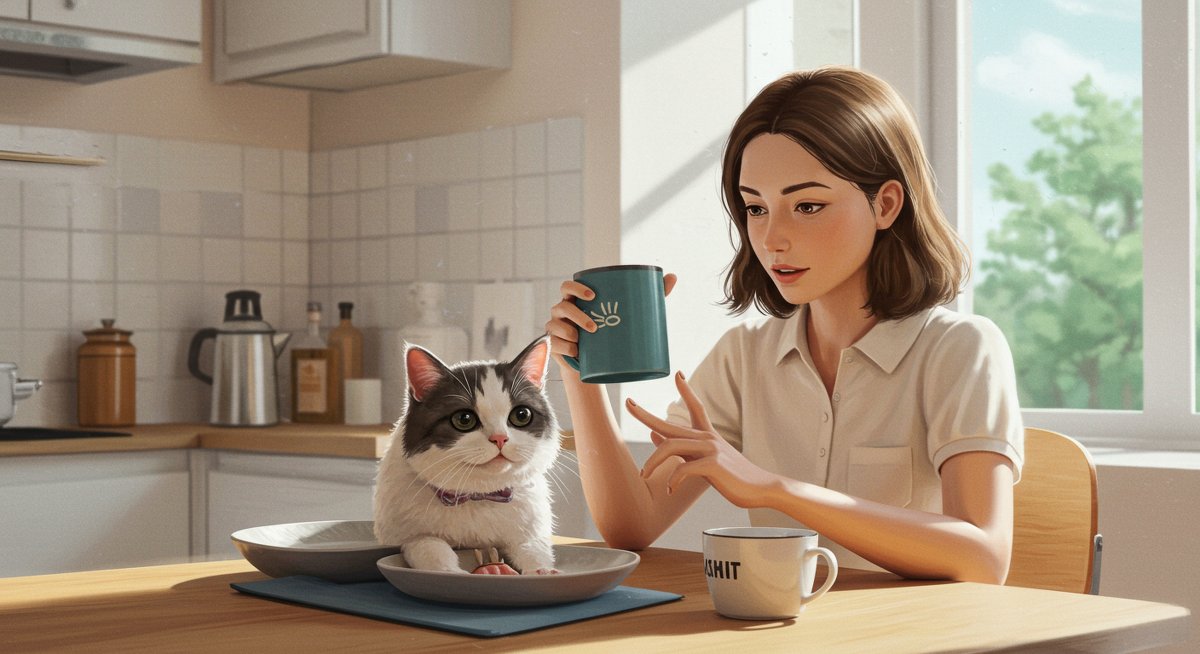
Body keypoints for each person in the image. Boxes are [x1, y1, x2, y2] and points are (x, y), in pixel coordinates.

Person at [546, 66, 1023, 583]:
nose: (772, 238)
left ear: (884, 204)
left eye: (808, 205)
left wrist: (773, 488)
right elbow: (632, 525)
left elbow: (983, 558)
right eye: (755, 208)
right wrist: (580, 367)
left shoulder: (960, 349)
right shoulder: (742, 357)